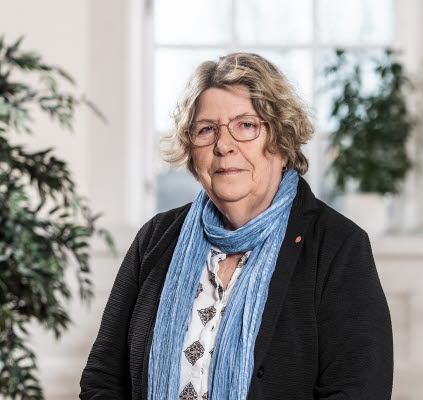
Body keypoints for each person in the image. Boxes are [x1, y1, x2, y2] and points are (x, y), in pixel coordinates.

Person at [79, 52, 393, 400]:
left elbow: (357, 390)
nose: (224, 145)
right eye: (207, 129)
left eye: (246, 125)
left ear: (283, 140)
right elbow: (103, 379)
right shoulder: (156, 238)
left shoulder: (338, 245)